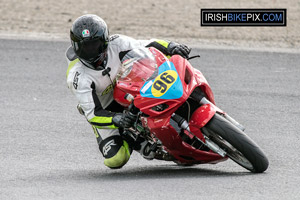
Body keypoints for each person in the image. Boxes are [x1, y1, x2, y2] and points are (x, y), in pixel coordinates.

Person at [66, 14, 191, 169]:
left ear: (105, 40)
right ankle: (135, 138)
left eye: (95, 44)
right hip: (106, 109)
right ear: (76, 47)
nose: (91, 51)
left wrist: (171, 46)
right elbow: (93, 114)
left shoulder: (117, 42)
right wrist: (115, 119)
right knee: (116, 159)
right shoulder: (77, 77)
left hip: (131, 86)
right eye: (86, 46)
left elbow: (147, 45)